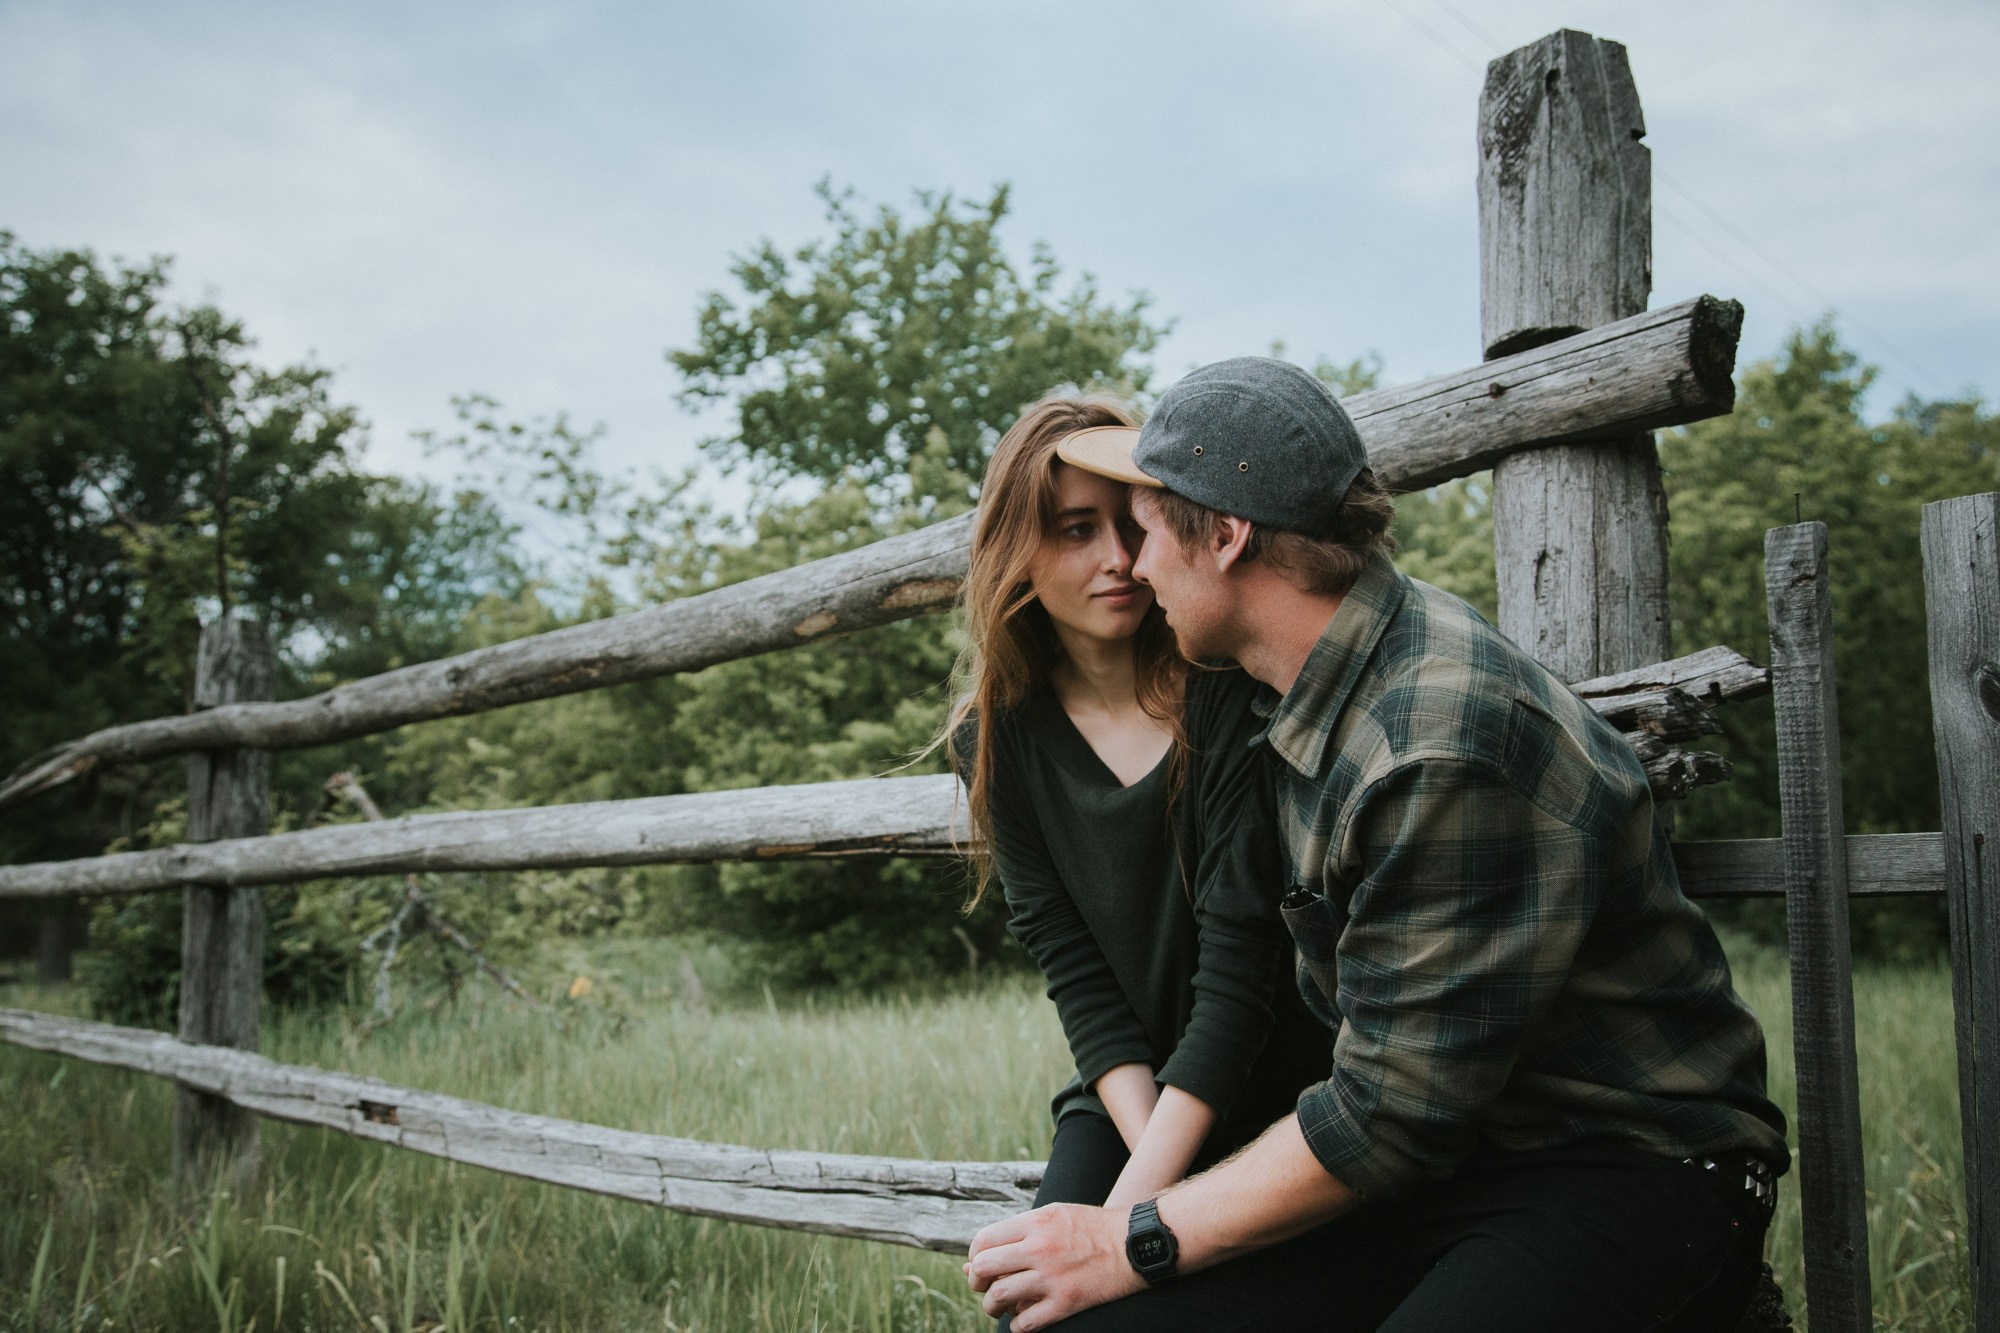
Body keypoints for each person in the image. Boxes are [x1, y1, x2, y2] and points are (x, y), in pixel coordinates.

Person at [965, 358, 1790, 1332]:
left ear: (1223, 537)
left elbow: (1386, 1115)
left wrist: (1129, 1236)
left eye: (1145, 532)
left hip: (1622, 1160)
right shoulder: (1310, 678)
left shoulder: (1432, 738)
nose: (1135, 568)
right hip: (1449, 1162)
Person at [945, 389, 1330, 1283]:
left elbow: (1242, 976)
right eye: (1076, 529)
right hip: (1128, 1091)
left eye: (1133, 524)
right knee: (1031, 1303)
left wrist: (1123, 1232)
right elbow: (1074, 972)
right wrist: (1139, 1182)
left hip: (1279, 1082)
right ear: (1016, 549)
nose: (1118, 560)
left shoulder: (1228, 693)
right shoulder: (996, 737)